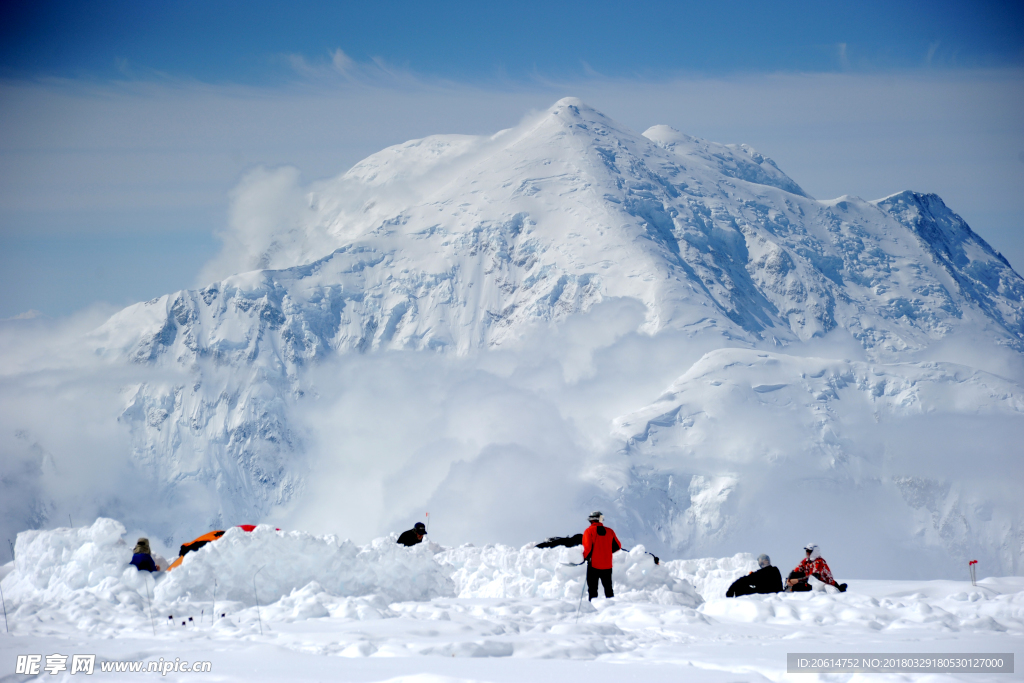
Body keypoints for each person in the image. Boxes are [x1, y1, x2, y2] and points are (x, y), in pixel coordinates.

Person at [581, 511, 621, 600]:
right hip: (607, 565)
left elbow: (587, 548)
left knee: (592, 589)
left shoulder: (588, 531)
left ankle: (593, 608)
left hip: (593, 565)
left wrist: (584, 558)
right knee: (608, 589)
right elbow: (618, 546)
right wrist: (606, 552)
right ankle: (613, 609)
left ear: (591, 520)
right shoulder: (610, 531)